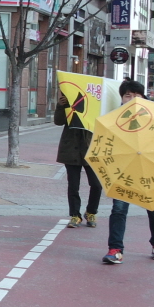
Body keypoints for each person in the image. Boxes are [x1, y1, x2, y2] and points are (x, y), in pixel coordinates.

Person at [102, 79, 154, 265]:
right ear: (122, 98)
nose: (132, 99)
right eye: (127, 96)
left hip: (150, 171)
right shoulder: (114, 120)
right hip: (124, 171)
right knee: (118, 209)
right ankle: (115, 249)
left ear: (144, 98)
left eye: (136, 96)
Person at [54, 93, 101, 228]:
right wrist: (61, 106)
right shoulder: (68, 101)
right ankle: (75, 215)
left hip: (90, 149)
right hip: (71, 149)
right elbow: (58, 121)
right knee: (73, 186)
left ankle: (91, 212)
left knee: (96, 185)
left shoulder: (94, 102)